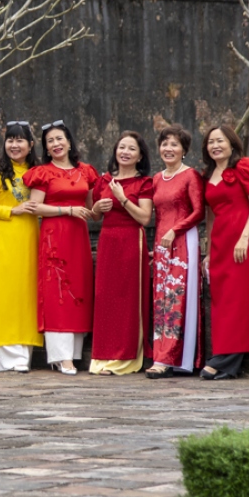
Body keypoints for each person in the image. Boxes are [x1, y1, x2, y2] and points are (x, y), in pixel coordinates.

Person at [200, 125, 249, 379]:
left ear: (231, 143)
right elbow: (210, 217)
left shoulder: (244, 166)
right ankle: (226, 358)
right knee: (221, 300)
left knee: (238, 299)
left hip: (243, 239)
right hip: (220, 243)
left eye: (220, 141)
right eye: (211, 142)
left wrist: (244, 237)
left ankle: (226, 359)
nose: (215, 146)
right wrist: (208, 251)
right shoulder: (208, 175)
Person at [22, 120, 98, 375]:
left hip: (79, 237)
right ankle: (61, 355)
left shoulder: (86, 171)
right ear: (45, 147)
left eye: (59, 139)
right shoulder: (43, 172)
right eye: (50, 141)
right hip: (54, 237)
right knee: (57, 293)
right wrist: (66, 210)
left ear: (69, 141)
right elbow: (34, 207)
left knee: (79, 290)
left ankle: (73, 354)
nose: (56, 144)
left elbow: (91, 209)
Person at [0, 121, 41, 372]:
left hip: (30, 236)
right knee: (5, 292)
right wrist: (12, 210)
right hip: (5, 234)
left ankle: (24, 354)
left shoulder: (38, 171)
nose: (14, 145)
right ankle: (9, 358)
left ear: (31, 145)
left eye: (20, 140)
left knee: (26, 293)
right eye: (10, 140)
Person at [89, 131, 154, 376]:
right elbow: (94, 216)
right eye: (121, 147)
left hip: (130, 240)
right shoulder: (104, 180)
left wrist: (123, 199)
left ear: (139, 156)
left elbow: (145, 218)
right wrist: (96, 208)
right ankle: (103, 354)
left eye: (131, 149)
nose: (125, 152)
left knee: (128, 298)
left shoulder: (144, 183)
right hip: (108, 241)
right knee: (105, 297)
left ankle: (125, 356)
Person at [146, 125, 205, 378]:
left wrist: (176, 230)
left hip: (183, 241)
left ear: (184, 150)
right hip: (162, 244)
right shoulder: (157, 178)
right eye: (164, 144)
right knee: (161, 299)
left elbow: (198, 211)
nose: (168, 149)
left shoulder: (190, 175)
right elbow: (157, 215)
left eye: (174, 145)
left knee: (176, 298)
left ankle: (169, 357)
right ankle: (160, 354)